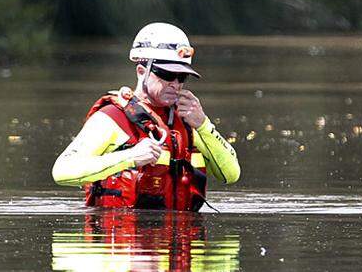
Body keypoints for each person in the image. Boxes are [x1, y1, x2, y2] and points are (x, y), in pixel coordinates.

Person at [52, 22, 240, 210]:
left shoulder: (188, 121)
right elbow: (62, 172)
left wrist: (203, 125)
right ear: (142, 71)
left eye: (182, 77)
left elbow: (231, 174)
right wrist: (131, 156)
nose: (175, 84)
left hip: (181, 237)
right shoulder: (111, 117)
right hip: (122, 235)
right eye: (167, 74)